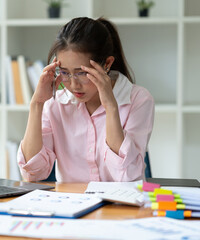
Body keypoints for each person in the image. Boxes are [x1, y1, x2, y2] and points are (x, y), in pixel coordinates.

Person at [17, 17, 155, 182]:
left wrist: (111, 108)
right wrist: (37, 104)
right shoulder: (54, 105)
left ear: (107, 63)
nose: (74, 85)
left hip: (119, 206)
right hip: (72, 205)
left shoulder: (138, 100)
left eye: (81, 73)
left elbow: (128, 176)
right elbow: (32, 174)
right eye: (65, 72)